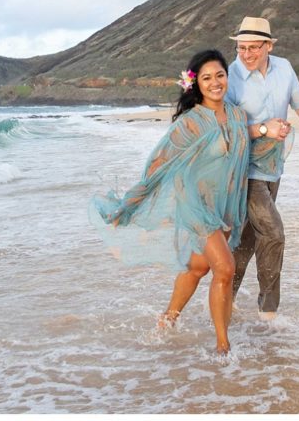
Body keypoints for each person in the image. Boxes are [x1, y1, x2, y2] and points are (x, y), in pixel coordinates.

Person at [89, 49, 287, 354]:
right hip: (196, 204)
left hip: (224, 206)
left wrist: (267, 131)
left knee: (197, 268)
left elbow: (239, 139)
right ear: (196, 84)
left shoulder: (235, 114)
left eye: (220, 75)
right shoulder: (190, 123)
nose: (215, 82)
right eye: (206, 78)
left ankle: (167, 319)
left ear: (226, 77)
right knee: (225, 269)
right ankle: (223, 347)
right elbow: (159, 163)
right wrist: (131, 203)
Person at [224, 16, 299, 321]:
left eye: (253, 48)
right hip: (242, 168)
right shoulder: (230, 77)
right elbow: (227, 130)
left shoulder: (284, 68)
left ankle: (225, 297)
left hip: (274, 164)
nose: (245, 55)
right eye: (241, 48)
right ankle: (268, 311)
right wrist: (263, 129)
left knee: (248, 237)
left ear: (268, 46)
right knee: (274, 232)